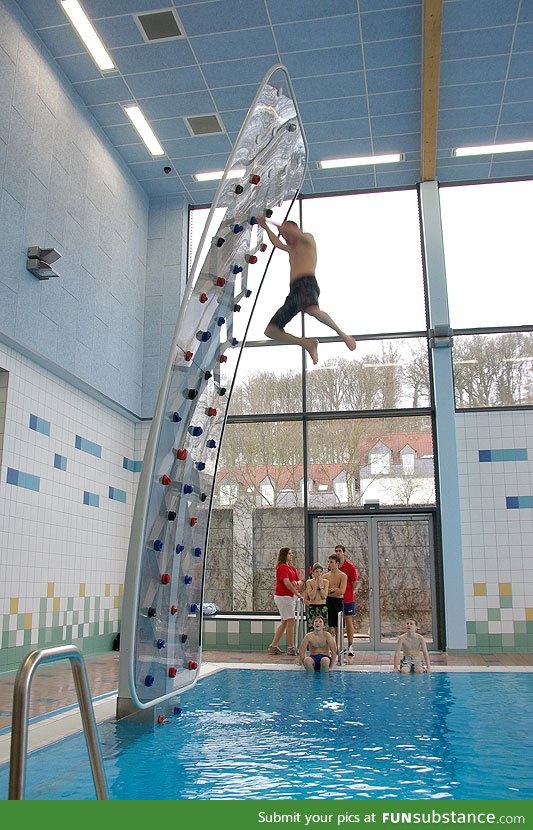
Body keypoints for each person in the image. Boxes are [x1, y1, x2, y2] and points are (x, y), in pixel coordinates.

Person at [257, 215, 356, 365]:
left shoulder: (307, 240)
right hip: (295, 290)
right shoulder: (291, 249)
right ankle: (307, 343)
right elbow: (276, 243)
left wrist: (275, 224)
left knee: (312, 311)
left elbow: (293, 232)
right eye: (284, 236)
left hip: (306, 283)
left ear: (296, 230)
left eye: (287, 235)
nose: (285, 239)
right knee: (272, 330)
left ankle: (341, 334)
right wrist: (265, 227)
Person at [268, 547, 302, 656]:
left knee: (285, 621)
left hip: (289, 596)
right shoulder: (282, 567)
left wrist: (297, 584)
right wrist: (296, 591)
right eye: (289, 554)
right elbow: (287, 583)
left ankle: (273, 646)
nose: (291, 555)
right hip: (283, 596)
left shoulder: (291, 568)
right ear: (284, 555)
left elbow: (298, 580)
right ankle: (291, 647)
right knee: (291, 620)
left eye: (292, 553)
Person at [334, 544, 359, 657]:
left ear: (343, 552)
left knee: (348, 622)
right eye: (336, 551)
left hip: (347, 599)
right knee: (336, 624)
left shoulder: (349, 567)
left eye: (339, 551)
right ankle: (338, 646)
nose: (338, 553)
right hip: (336, 599)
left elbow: (355, 582)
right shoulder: (333, 566)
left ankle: (350, 645)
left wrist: (350, 592)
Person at [323, 553, 347, 644]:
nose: (329, 564)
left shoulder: (342, 576)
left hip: (338, 602)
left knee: (338, 627)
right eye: (328, 562)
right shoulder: (325, 576)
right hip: (328, 602)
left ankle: (338, 647)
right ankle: (328, 647)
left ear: (337, 563)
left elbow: (341, 591)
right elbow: (324, 592)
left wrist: (329, 591)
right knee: (328, 626)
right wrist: (333, 590)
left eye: (331, 562)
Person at [304, 563, 329, 632]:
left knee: (324, 628)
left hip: (322, 606)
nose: (319, 574)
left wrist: (320, 587)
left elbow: (324, 596)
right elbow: (312, 596)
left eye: (320, 572)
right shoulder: (309, 582)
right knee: (311, 628)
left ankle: (323, 642)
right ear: (313, 573)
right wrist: (315, 586)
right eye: (317, 572)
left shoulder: (326, 582)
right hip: (313, 606)